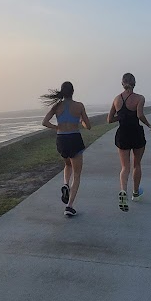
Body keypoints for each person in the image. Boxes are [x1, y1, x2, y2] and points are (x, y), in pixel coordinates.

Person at [41, 81, 91, 217]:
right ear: (73, 92)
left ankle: (65, 184)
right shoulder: (79, 106)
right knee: (77, 173)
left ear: (62, 92)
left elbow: (44, 122)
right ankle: (69, 206)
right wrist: (81, 121)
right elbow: (89, 125)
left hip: (61, 139)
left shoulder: (57, 106)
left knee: (67, 164)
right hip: (74, 138)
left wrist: (56, 127)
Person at [107, 73, 151, 212]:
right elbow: (139, 115)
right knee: (137, 164)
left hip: (122, 134)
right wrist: (149, 125)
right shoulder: (139, 98)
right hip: (136, 133)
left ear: (122, 83)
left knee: (124, 167)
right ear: (135, 83)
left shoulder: (116, 99)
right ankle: (135, 192)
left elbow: (109, 119)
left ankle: (123, 191)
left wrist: (122, 116)